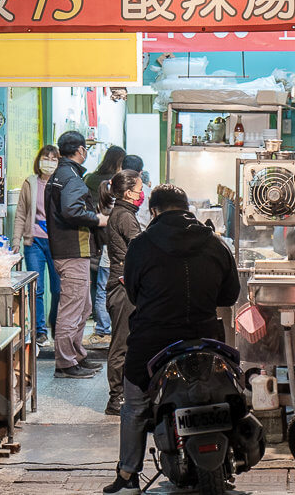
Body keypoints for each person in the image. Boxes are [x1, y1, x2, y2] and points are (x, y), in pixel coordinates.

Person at [103, 184, 241, 494]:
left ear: (153, 211)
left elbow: (135, 295)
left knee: (135, 406)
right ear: (187, 207)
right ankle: (230, 462)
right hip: (206, 338)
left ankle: (127, 476)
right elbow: (230, 295)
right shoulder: (215, 243)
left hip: (153, 341)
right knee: (232, 390)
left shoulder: (141, 245)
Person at [46, 131, 109, 379]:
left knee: (83, 306)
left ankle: (77, 355)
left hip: (70, 250)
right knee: (72, 309)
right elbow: (71, 210)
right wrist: (98, 220)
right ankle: (65, 363)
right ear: (81, 150)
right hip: (73, 250)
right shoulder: (70, 177)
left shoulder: (60, 175)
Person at [102, 169, 144, 416]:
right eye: (139, 190)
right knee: (121, 344)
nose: (142, 194)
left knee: (127, 342)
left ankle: (124, 394)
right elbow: (139, 247)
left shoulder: (122, 212)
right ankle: (115, 399)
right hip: (122, 287)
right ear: (128, 193)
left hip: (124, 285)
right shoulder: (125, 216)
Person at [12, 145, 61, 347]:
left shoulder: (61, 184)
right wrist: (16, 240)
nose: (48, 162)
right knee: (37, 288)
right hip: (34, 242)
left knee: (58, 289)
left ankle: (57, 327)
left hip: (58, 243)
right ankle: (39, 331)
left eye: (53, 158)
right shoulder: (30, 183)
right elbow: (21, 213)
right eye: (45, 157)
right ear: (39, 160)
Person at [84, 145, 126, 345]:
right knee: (106, 287)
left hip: (93, 238)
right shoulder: (115, 184)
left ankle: (101, 326)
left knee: (99, 286)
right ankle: (106, 327)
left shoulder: (90, 178)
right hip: (110, 242)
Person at [121, 154, 151, 228]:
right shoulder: (149, 192)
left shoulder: (111, 188)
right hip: (141, 235)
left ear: (121, 169)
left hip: (117, 235)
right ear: (140, 172)